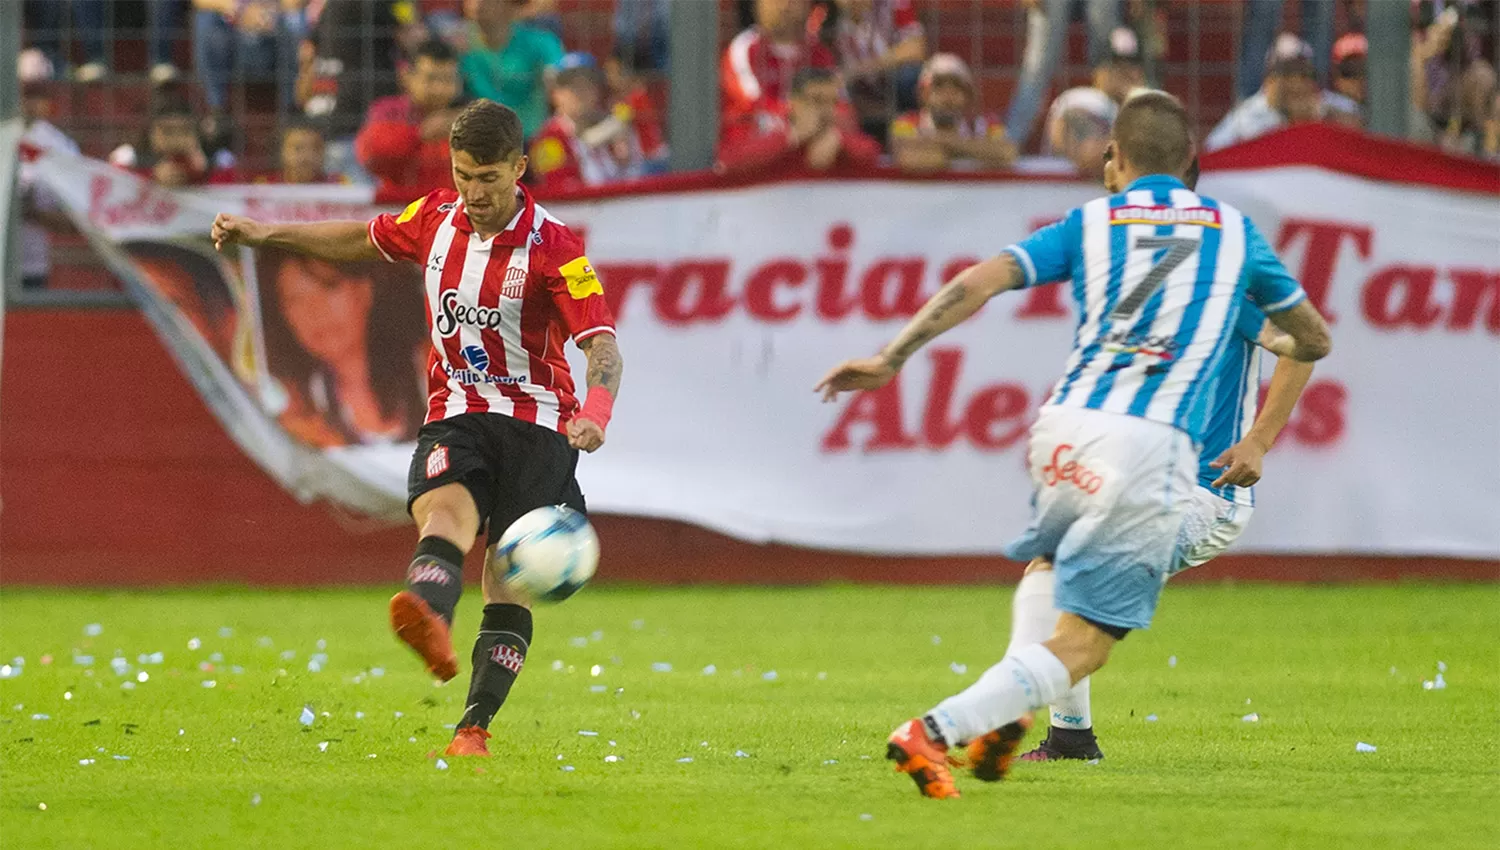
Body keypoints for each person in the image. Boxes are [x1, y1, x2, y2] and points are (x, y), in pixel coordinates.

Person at [815, 90, 1332, 799]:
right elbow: (1307, 340)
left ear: (1113, 159)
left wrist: (892, 357)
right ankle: (987, 727)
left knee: (1052, 584)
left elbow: (978, 282)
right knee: (1075, 624)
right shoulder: (1228, 246)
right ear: (1191, 161)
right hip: (1153, 463)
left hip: (1096, 443)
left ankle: (1001, 730)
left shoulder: (1093, 225)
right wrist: (1262, 438)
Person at [211, 99, 623, 759]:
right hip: (458, 409)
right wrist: (265, 235)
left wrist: (595, 415)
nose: (475, 191)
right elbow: (357, 238)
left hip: (539, 425)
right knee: (444, 517)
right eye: (464, 175)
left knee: (507, 580)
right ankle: (430, 614)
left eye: (489, 178)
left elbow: (602, 347)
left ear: (520, 168)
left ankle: (473, 729)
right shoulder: (434, 218)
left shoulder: (557, 250)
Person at [1013, 157, 1320, 763]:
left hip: (1205, 492)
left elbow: (1303, 346)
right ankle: (1064, 737)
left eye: (1113, 157)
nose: (1105, 170)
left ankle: (992, 723)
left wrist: (1259, 439)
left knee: (1061, 577)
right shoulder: (1135, 273)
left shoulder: (1216, 280)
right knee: (1054, 578)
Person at [255, 251, 426, 447]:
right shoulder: (304, 405)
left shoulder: (429, 369)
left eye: (329, 288)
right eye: (296, 300)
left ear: (364, 290)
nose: (315, 312)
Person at [717, 67, 882, 176]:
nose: (826, 109)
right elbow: (727, 161)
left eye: (832, 102)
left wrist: (840, 141)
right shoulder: (772, 124)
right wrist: (792, 139)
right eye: (817, 100)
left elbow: (873, 153)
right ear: (794, 103)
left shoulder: (840, 127)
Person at [721, 0, 837, 151]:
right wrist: (802, 121)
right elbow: (753, 106)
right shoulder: (744, 49)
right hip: (753, 154)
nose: (785, 6)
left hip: (805, 155)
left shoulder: (820, 54)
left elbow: (843, 112)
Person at [528, 56, 655, 191]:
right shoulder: (550, 138)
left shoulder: (610, 126)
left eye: (588, 84)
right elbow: (559, 190)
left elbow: (639, 174)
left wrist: (625, 158)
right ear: (555, 94)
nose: (582, 92)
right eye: (572, 87)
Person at [355, 39, 463, 196]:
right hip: (397, 212)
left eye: (448, 79)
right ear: (407, 77)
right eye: (431, 79)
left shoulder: (466, 116)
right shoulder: (387, 111)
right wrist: (420, 133)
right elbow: (371, 155)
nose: (439, 89)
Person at [1205, 33, 1338, 152]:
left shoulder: (1330, 110)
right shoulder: (1247, 115)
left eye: (1303, 73)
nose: (1296, 82)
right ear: (1269, 80)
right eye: (1287, 73)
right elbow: (1212, 150)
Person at [1042, 27, 1145, 179]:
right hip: (1061, 194)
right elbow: (1090, 155)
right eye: (1116, 66)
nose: (1127, 72)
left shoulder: (1134, 108)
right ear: (1098, 70)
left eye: (1132, 65)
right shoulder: (1081, 98)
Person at [889, 53, 1016, 173]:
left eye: (957, 88)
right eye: (938, 88)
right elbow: (909, 158)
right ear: (923, 95)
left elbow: (1008, 153)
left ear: (968, 96)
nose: (948, 97)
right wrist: (977, 150)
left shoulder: (986, 124)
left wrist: (940, 141)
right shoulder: (907, 122)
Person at [459, 0, 564, 139]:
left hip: (530, 141)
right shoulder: (455, 45)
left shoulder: (542, 44)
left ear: (512, 5)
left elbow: (562, 81)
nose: (477, 4)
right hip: (478, 141)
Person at [828, 0, 927, 141]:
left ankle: (909, 133)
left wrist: (866, 68)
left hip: (889, 81)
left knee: (911, 76)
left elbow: (915, 48)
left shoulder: (894, 3)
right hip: (848, 87)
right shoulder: (824, 14)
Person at [192, 0, 309, 114]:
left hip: (274, 32)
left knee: (295, 20)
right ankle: (217, 111)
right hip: (232, 35)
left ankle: (291, 110)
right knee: (206, 20)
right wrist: (241, 9)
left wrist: (268, 12)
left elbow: (295, 3)